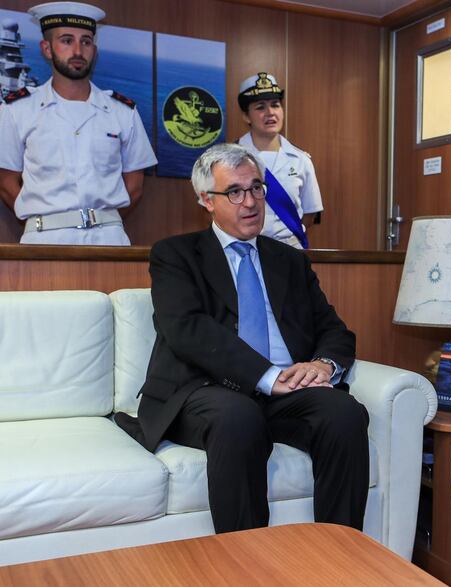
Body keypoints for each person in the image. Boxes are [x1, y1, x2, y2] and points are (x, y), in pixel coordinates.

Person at [115, 143, 368, 533]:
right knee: (239, 417)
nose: (250, 202)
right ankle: (245, 563)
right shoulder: (176, 255)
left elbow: (334, 328)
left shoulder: (290, 260)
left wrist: (323, 365)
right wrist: (268, 376)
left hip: (283, 395)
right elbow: (187, 330)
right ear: (206, 200)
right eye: (234, 192)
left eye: (256, 188)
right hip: (203, 390)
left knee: (344, 413)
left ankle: (342, 551)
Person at [0, 2, 157, 245]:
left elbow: (134, 187)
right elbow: (6, 183)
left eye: (85, 41)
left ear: (94, 49)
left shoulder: (122, 111)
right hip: (43, 241)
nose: (77, 50)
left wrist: (101, 219)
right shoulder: (17, 109)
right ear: (47, 48)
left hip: (110, 240)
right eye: (66, 40)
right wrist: (46, 217)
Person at [237, 72, 322, 249]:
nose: (270, 113)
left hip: (290, 251)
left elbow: (310, 213)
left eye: (275, 105)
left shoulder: (300, 159)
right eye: (260, 107)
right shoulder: (228, 158)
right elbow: (211, 210)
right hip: (245, 250)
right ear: (246, 116)